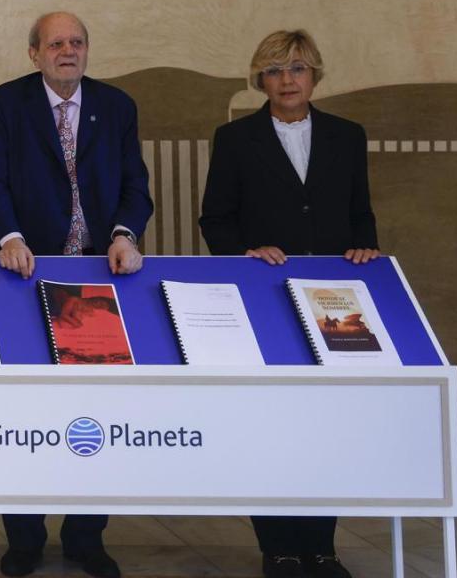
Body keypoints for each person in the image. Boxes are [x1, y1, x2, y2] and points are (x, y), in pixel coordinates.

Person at [0, 11, 153, 578]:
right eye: (56, 43)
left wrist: (125, 233)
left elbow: (135, 185)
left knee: (93, 410)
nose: (67, 51)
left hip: (96, 279)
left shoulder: (117, 106)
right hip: (22, 274)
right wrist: (10, 236)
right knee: (22, 405)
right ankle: (24, 536)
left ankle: (85, 535)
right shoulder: (7, 103)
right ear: (35, 54)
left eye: (77, 42)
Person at [198, 29, 379, 578]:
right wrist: (245, 253)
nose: (287, 80)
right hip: (263, 296)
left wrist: (364, 247)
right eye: (275, 71)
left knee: (326, 424)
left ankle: (321, 547)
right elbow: (215, 219)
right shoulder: (234, 139)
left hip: (334, 298)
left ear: (315, 75)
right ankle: (277, 546)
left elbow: (360, 212)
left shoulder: (348, 135)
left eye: (297, 69)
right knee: (269, 421)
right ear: (261, 80)